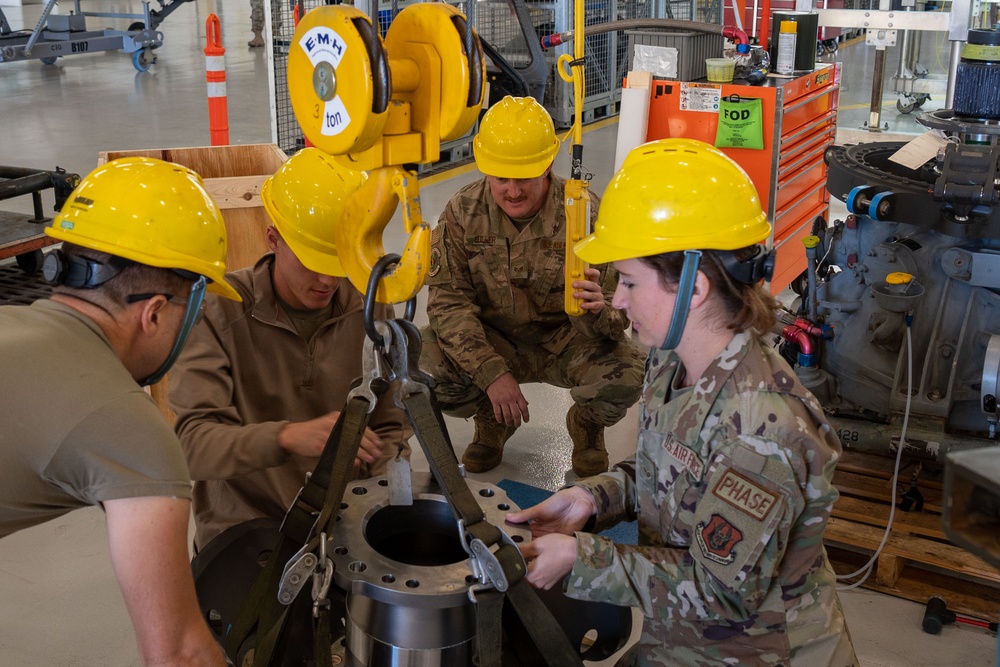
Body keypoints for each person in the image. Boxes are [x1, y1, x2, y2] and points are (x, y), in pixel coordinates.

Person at [507, 139, 859, 666]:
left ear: (693, 287)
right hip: (685, 635)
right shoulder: (675, 360)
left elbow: (722, 593)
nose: (617, 299)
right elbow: (671, 468)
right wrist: (592, 499)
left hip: (753, 652)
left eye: (627, 281)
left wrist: (583, 558)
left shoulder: (762, 429)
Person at [0, 158, 239, 666]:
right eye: (191, 313)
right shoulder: (130, 428)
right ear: (154, 312)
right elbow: (179, 655)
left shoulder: (10, 328)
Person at [169, 148, 410, 551]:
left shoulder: (370, 306)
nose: (326, 279)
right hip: (246, 527)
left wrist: (379, 499)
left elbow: (390, 424)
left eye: (339, 262)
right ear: (272, 238)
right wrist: (286, 438)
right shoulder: (217, 310)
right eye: (311, 260)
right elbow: (191, 447)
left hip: (344, 519)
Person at [420, 95, 644, 477]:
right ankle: (492, 418)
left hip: (566, 341)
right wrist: (491, 373)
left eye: (524, 177)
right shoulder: (462, 212)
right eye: (500, 178)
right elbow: (448, 304)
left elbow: (619, 309)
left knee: (626, 373)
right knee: (425, 365)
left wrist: (597, 312)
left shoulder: (583, 213)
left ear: (548, 165)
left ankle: (587, 425)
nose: (512, 191)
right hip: (496, 340)